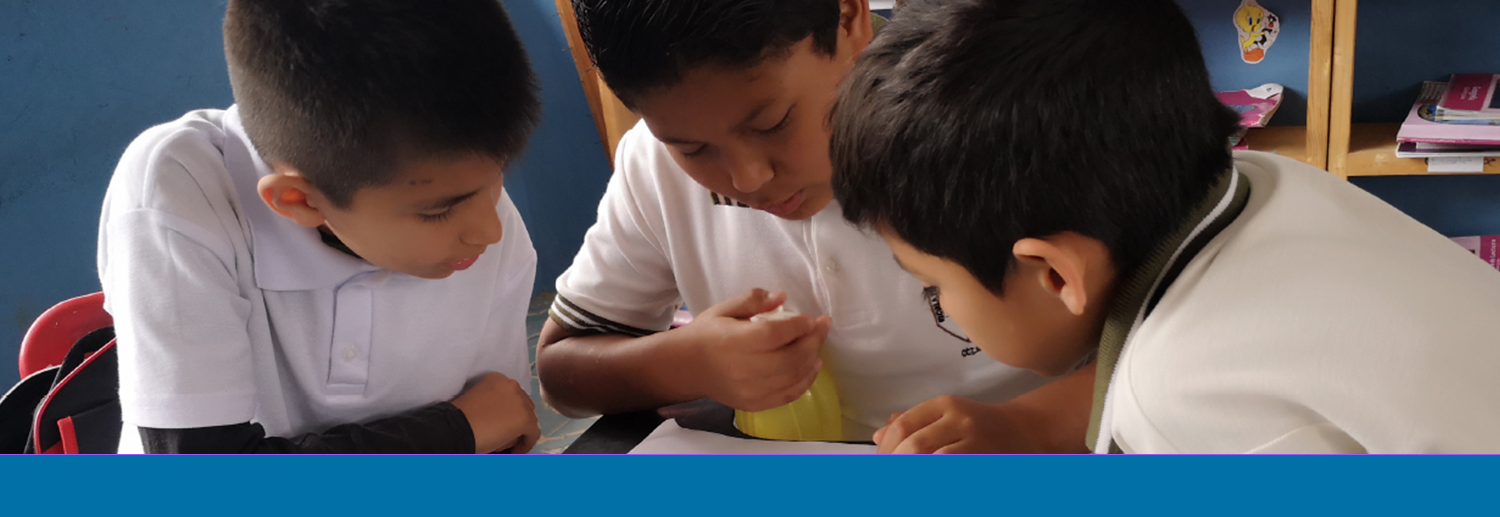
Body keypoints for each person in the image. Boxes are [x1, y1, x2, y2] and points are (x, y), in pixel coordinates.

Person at [829, 0, 1500, 453]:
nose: (945, 308)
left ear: (1055, 274)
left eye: (935, 290)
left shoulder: (1167, 398)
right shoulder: (1270, 182)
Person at [540, 0, 1096, 453]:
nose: (750, 177)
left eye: (773, 123)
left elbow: (1148, 334)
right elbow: (561, 366)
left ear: (848, 17)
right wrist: (683, 364)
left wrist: (1035, 425)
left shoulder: (1000, 123)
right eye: (693, 149)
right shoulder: (652, 168)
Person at [97, 0, 543, 453]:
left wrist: (470, 433)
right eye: (437, 212)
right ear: (300, 200)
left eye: (498, 177)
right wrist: (453, 433)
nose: (490, 231)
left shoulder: (457, 199)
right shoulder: (177, 191)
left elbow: (501, 428)